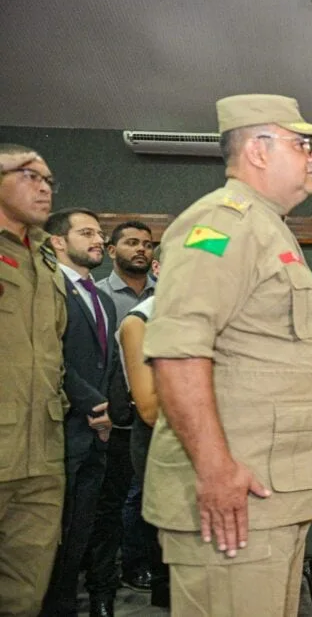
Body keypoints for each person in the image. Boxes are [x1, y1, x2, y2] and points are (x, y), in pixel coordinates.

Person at [142, 94, 312, 616]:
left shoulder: (265, 226)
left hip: (268, 496)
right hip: (238, 498)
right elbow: (179, 349)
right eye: (302, 144)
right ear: (258, 149)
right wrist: (214, 470)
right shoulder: (220, 223)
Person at [42, 207, 125, 617]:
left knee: (82, 529)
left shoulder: (104, 301)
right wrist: (93, 403)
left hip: (96, 433)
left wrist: (107, 410)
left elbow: (106, 363)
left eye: (99, 232)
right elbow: (51, 357)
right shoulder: (47, 290)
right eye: (86, 232)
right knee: (51, 533)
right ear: (58, 241)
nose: (98, 240)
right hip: (58, 430)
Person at [0, 144, 67, 616]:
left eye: (48, 180)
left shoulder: (46, 260)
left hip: (41, 454)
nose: (43, 187)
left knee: (24, 593)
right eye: (28, 174)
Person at [87, 220, 157, 609]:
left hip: (156, 422)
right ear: (112, 250)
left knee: (152, 500)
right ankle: (104, 584)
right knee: (110, 505)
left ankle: (143, 566)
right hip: (112, 421)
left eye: (147, 244)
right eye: (131, 243)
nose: (141, 250)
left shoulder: (166, 298)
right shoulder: (96, 297)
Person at [116, 246, 170, 609]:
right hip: (157, 440)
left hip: (199, 440)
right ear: (158, 268)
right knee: (162, 528)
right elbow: (150, 408)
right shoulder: (140, 321)